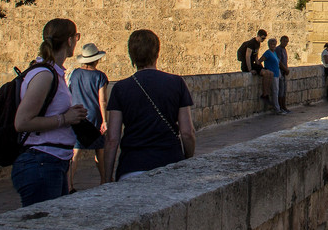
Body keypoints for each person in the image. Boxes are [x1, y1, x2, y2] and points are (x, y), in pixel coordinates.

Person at [11, 18, 88, 206]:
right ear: (70, 41)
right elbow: (22, 122)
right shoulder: (44, 75)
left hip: (53, 162)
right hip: (41, 162)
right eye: (76, 37)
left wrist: (70, 115)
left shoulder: (54, 73)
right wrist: (64, 118)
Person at [104, 29, 195, 183]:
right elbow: (187, 132)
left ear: (131, 55)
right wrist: (187, 159)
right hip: (170, 164)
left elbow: (112, 139)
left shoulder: (120, 88)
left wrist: (106, 179)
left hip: (132, 166)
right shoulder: (176, 83)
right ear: (157, 53)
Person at [66, 42, 109, 192]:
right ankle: (104, 180)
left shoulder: (74, 74)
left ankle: (69, 184)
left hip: (77, 116)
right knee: (100, 150)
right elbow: (102, 100)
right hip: (94, 117)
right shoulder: (100, 76)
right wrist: (105, 120)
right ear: (96, 59)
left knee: (75, 152)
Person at [239, 29, 272, 100]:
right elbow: (247, 56)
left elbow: (256, 55)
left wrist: (259, 64)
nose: (263, 40)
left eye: (264, 38)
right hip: (247, 65)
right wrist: (250, 69)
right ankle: (264, 94)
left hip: (253, 64)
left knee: (270, 73)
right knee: (265, 74)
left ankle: (267, 92)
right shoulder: (251, 43)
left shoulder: (258, 43)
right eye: (262, 38)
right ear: (258, 36)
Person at [261, 38, 284, 114]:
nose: (273, 46)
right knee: (275, 92)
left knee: (277, 91)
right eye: (271, 44)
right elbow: (260, 60)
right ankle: (277, 109)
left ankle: (278, 107)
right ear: (269, 45)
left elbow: (278, 62)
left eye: (274, 44)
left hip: (277, 74)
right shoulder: (267, 53)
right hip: (272, 75)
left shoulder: (274, 53)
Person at [275, 35, 292, 113]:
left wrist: (286, 69)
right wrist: (285, 69)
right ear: (281, 41)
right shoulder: (278, 49)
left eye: (287, 42)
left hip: (284, 72)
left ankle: (284, 106)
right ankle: (281, 106)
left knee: (284, 90)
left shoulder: (284, 50)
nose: (286, 43)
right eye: (284, 41)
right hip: (280, 72)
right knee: (281, 90)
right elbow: (279, 62)